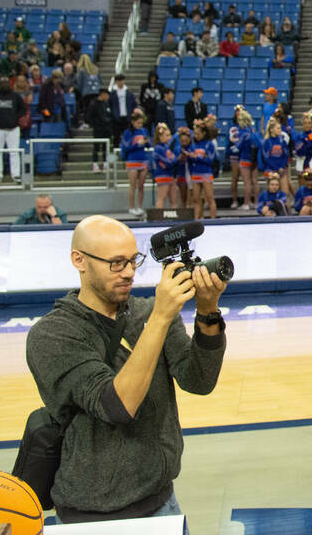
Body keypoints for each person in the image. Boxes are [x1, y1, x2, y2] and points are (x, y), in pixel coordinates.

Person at [25, 215, 226, 524]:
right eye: (116, 263)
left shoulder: (147, 312)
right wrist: (160, 317)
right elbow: (116, 405)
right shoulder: (53, 335)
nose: (129, 273)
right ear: (79, 260)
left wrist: (207, 311)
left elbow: (199, 380)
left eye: (134, 261)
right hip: (91, 516)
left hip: (162, 501)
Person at [0, 77, 27, 183]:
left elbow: (23, 109)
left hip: (13, 128)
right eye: (2, 83)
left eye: (6, 83)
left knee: (14, 152)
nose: (4, 85)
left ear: (9, 84)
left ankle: (16, 175)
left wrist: (15, 117)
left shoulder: (15, 96)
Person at [227, 108, 258, 210]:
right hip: (254, 159)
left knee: (247, 183)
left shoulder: (243, 133)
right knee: (254, 181)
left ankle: (246, 204)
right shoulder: (253, 130)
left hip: (244, 158)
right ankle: (256, 203)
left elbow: (237, 148)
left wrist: (229, 150)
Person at [120, 111, 150, 216]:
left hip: (143, 159)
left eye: (141, 123)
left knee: (141, 185)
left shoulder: (144, 131)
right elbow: (126, 147)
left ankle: (140, 206)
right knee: (133, 185)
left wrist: (146, 141)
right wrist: (137, 144)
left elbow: (149, 144)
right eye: (138, 123)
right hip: (132, 160)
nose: (140, 125)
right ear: (133, 122)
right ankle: (131, 207)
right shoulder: (128, 132)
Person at [186, 120, 217, 220]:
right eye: (194, 133)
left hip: (206, 173)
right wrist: (191, 157)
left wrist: (197, 157)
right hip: (196, 174)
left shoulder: (209, 144)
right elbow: (190, 160)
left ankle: (213, 220)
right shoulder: (193, 145)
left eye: (198, 134)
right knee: (196, 198)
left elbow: (211, 160)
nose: (195, 136)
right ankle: (197, 218)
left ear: (204, 133)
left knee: (209, 197)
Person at [259, 118, 293, 198]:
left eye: (280, 128)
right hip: (270, 170)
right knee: (273, 193)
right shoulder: (266, 142)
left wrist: (282, 167)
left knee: (285, 193)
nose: (280, 130)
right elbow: (266, 158)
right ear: (271, 130)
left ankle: (286, 210)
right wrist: (277, 168)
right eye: (278, 128)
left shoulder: (282, 141)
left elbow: (286, 156)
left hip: (281, 169)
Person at [150, 123, 178, 210]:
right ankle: (159, 221)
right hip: (162, 175)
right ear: (160, 137)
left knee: (174, 200)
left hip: (169, 175)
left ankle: (175, 220)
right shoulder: (158, 148)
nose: (169, 138)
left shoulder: (166, 147)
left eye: (169, 135)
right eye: (167, 135)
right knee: (161, 198)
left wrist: (172, 161)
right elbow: (168, 162)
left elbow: (174, 159)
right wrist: (171, 161)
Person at [109, 74, 137, 143]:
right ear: (116, 82)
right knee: (116, 136)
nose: (120, 82)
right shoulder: (113, 94)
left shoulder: (128, 93)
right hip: (117, 118)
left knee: (127, 136)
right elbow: (110, 104)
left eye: (122, 80)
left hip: (127, 117)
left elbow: (133, 104)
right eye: (119, 81)